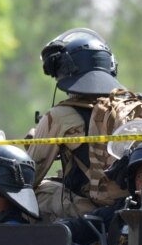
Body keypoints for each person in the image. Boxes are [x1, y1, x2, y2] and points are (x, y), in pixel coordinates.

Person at [28, 28, 127, 222]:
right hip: (133, 207)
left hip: (91, 210)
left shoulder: (60, 116)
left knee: (35, 194)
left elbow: (29, 176)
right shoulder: (129, 109)